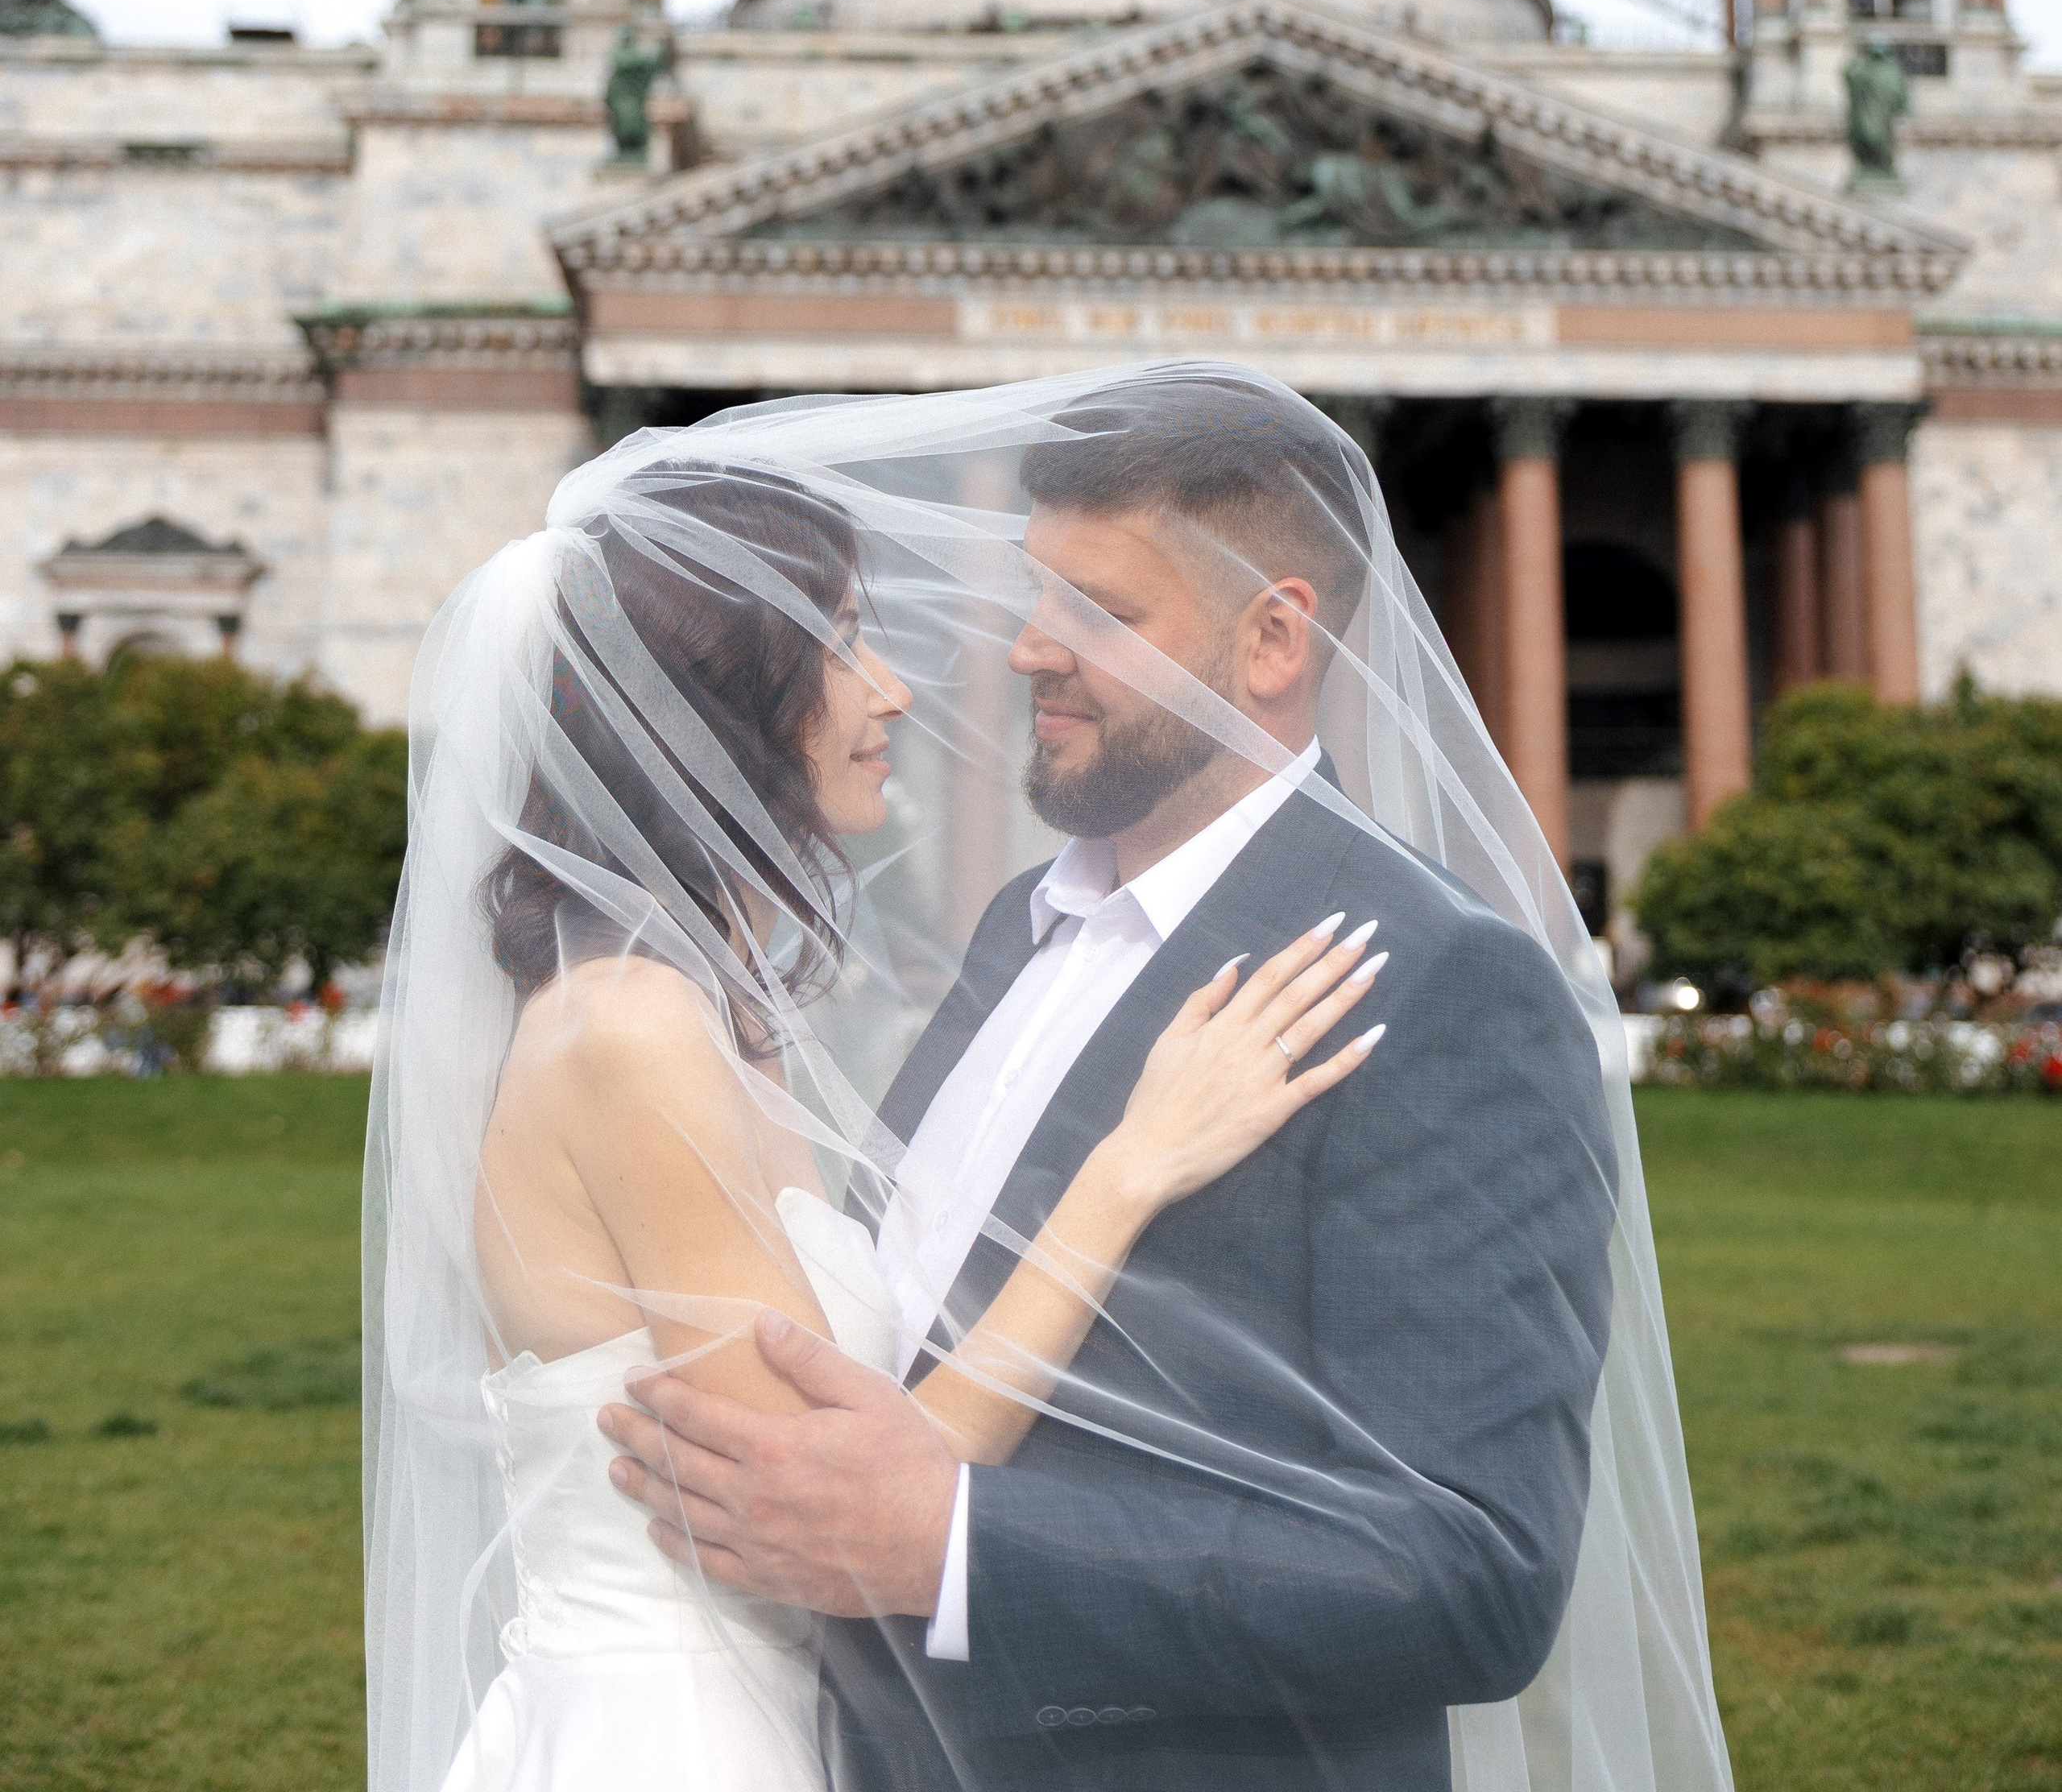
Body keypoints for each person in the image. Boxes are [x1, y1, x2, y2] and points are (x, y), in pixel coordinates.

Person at [369, 366, 1731, 1792]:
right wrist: (1124, 1178)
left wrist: (951, 1548)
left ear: (1274, 640)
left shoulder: (1439, 986)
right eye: (1036, 594)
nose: (1025, 652)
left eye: (1103, 613)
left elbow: (1475, 1574)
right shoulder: (1012, 936)